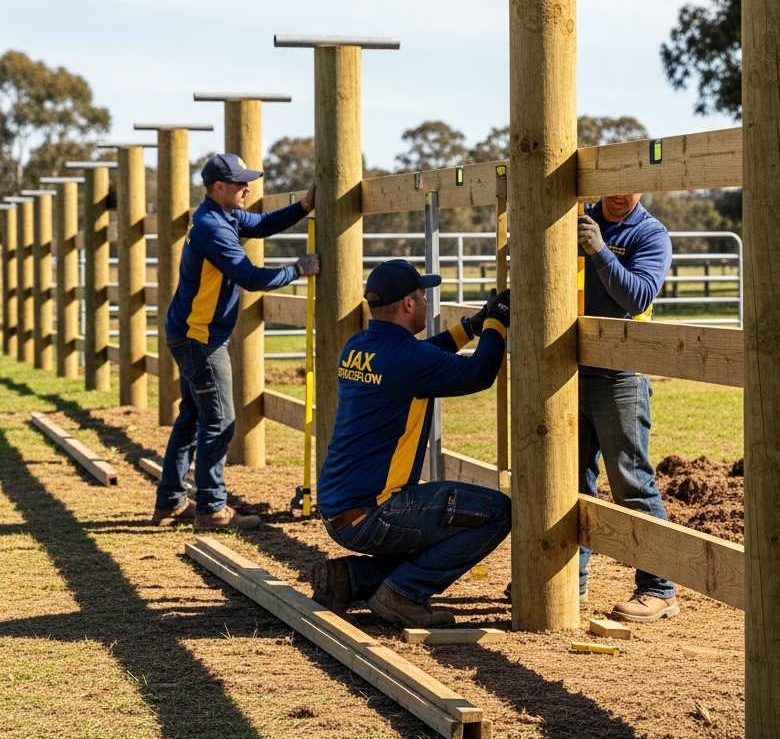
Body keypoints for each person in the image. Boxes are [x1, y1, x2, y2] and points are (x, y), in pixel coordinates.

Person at [310, 259, 511, 629]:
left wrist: (472, 325)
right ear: (407, 304)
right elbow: (479, 374)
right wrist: (497, 323)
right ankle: (403, 594)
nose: (424, 300)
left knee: (434, 523)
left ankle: (352, 579)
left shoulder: (357, 346)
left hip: (339, 511)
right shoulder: (409, 359)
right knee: (496, 512)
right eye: (421, 294)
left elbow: (425, 355)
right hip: (375, 513)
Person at [152, 153, 319, 530]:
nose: (248, 187)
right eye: (241, 183)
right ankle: (211, 508)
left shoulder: (222, 215)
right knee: (221, 421)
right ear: (219, 188)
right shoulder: (213, 227)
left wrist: (302, 207)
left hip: (189, 332)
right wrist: (298, 268)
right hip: (201, 339)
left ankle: (170, 503)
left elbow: (260, 224)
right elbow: (251, 277)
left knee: (192, 418)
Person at [577, 193, 677, 621]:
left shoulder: (650, 234)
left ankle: (660, 588)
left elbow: (637, 297)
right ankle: (570, 580)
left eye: (631, 186)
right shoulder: (575, 218)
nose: (620, 195)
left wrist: (598, 249)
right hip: (567, 371)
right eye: (613, 185)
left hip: (620, 375)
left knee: (630, 481)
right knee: (568, 479)